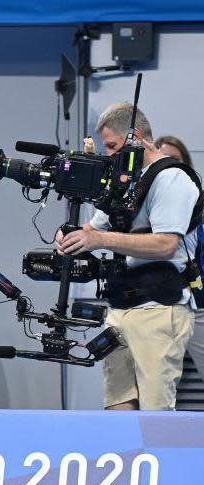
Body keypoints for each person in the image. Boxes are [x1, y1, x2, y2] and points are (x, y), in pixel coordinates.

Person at [56, 105, 200, 410]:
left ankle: (161, 458)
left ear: (134, 138)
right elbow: (93, 229)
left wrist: (99, 239)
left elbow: (166, 245)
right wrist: (70, 237)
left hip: (159, 308)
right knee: (118, 404)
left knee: (155, 412)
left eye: (112, 146)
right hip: (120, 305)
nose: (108, 155)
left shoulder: (172, 179)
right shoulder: (123, 183)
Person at [156, 135, 204, 384]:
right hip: (158, 305)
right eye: (163, 159)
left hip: (198, 302)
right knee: (159, 384)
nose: (169, 165)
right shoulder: (147, 202)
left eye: (174, 160)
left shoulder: (198, 203)